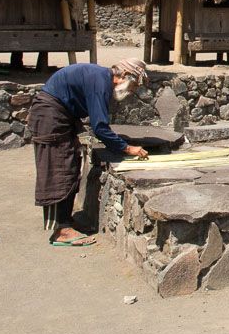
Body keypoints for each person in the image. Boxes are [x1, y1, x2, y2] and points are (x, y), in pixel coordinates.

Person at [28, 58, 150, 246]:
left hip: (58, 115)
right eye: (133, 85)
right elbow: (100, 127)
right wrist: (126, 148)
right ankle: (61, 229)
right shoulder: (100, 81)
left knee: (69, 163)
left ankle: (65, 221)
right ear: (124, 75)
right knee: (60, 167)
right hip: (51, 116)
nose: (132, 91)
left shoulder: (100, 78)